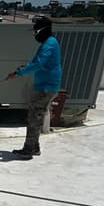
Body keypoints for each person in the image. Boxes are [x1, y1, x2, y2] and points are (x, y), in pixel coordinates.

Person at [6, 15, 62, 158]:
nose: (35, 35)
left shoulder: (49, 43)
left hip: (46, 87)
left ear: (43, 30)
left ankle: (29, 149)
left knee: (34, 117)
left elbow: (38, 63)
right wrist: (23, 68)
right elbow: (37, 62)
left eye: (35, 32)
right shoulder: (50, 42)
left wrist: (19, 72)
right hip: (45, 85)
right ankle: (34, 147)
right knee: (36, 116)